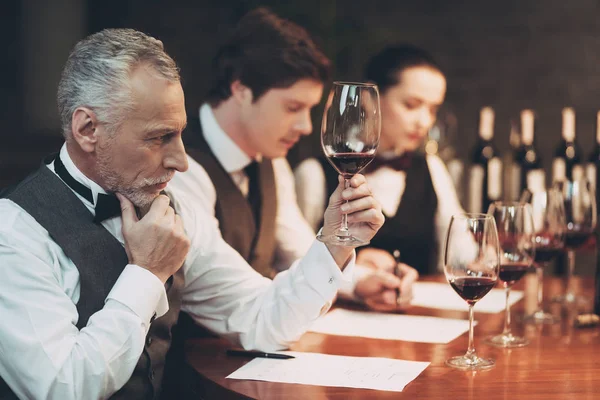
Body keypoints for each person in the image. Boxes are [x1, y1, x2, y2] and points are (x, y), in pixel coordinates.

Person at [0, 28, 384, 400]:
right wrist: (146, 274)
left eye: (181, 134)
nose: (182, 161)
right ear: (87, 129)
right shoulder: (14, 233)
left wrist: (333, 242)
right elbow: (63, 388)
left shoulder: (172, 211)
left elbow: (261, 319)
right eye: (159, 137)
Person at [170, 8, 417, 312]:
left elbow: (298, 248)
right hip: (197, 353)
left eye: (309, 110)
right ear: (241, 90)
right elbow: (233, 297)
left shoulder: (271, 161)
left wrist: (362, 281)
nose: (306, 127)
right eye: (292, 108)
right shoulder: (180, 167)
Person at [296, 44, 464, 276]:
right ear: (368, 99)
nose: (424, 121)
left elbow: (462, 251)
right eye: (411, 105)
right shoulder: (313, 173)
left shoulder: (432, 168)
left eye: (433, 110)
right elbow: (295, 259)